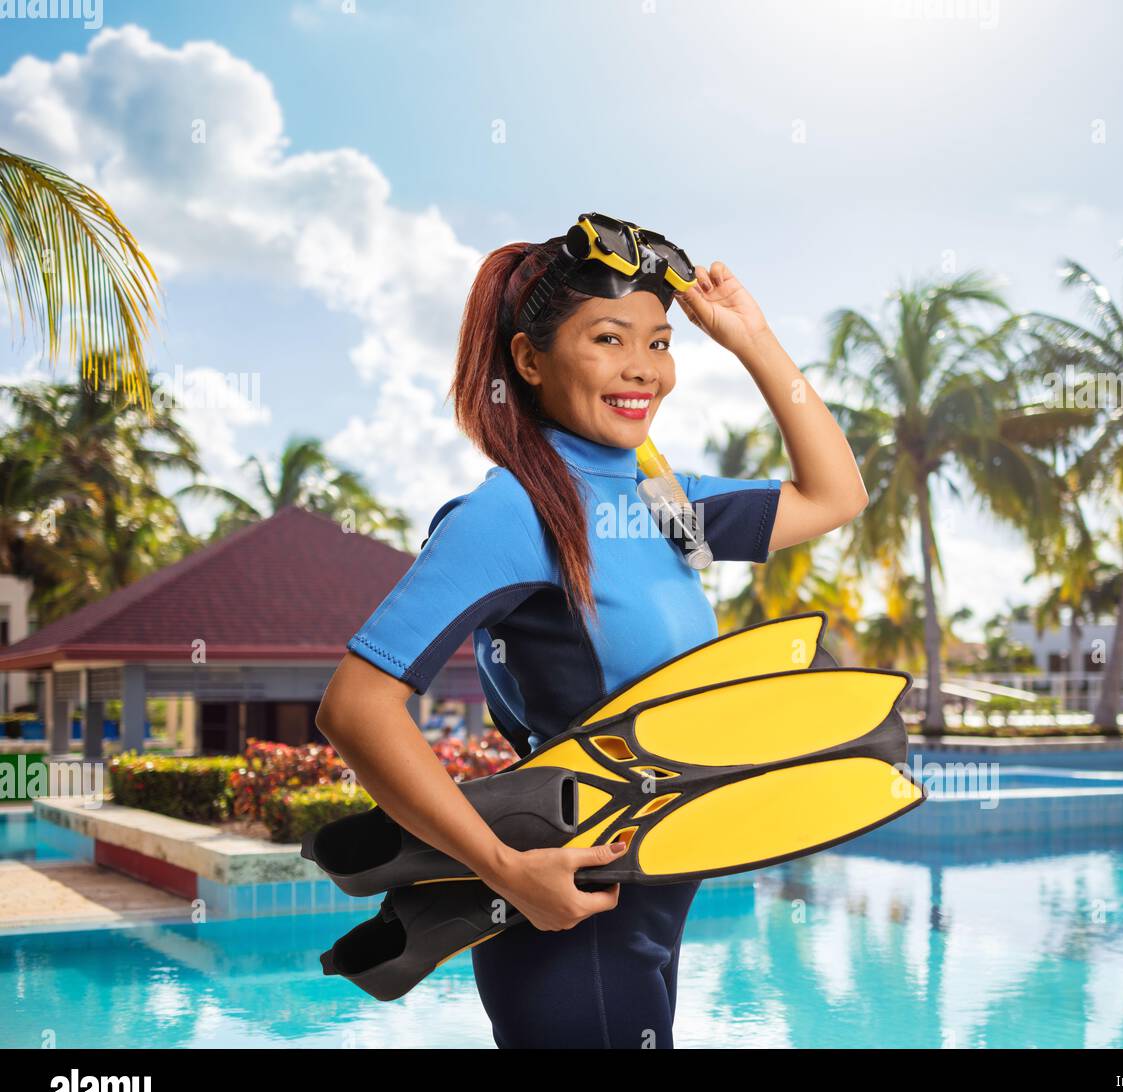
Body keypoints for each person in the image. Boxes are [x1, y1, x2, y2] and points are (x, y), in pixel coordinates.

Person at [316, 214, 869, 1048]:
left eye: (659, 342)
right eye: (609, 339)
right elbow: (356, 708)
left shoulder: (661, 499)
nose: (642, 369)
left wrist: (751, 338)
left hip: (648, 904)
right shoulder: (514, 511)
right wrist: (503, 869)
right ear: (528, 360)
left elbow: (835, 495)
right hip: (573, 925)